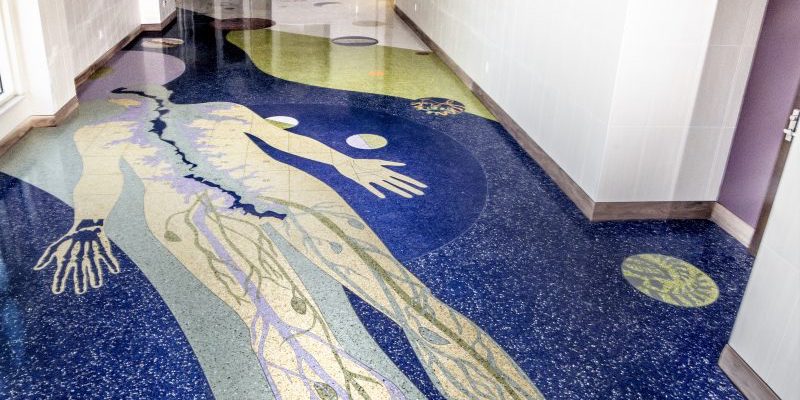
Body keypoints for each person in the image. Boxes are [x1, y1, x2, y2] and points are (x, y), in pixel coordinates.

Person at [34, 85, 542, 400]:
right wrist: (88, 223)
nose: (131, 102)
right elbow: (99, 179)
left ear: (164, 96)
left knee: (400, 292)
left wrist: (344, 162)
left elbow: (285, 142)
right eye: (122, 99)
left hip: (288, 192)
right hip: (191, 216)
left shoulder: (222, 109)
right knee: (275, 315)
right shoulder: (99, 136)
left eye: (136, 95)